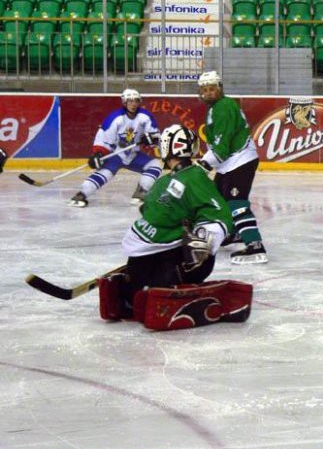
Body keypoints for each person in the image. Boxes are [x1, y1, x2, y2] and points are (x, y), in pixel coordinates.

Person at [99, 124, 252, 329]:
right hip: (151, 249)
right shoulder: (164, 181)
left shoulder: (194, 178)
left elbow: (219, 214)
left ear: (165, 148)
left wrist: (204, 239)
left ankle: (153, 289)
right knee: (135, 286)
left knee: (153, 288)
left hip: (183, 258)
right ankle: (134, 290)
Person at [197, 70, 268, 265]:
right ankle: (235, 233)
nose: (208, 93)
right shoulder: (217, 107)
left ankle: (255, 245)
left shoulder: (224, 107)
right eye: (204, 90)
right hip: (229, 163)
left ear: (220, 88)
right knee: (219, 199)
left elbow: (223, 145)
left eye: (212, 89)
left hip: (239, 160)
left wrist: (203, 165)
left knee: (236, 202)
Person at [68, 89, 163, 208]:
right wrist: (98, 154)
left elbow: (155, 137)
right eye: (130, 101)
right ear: (124, 102)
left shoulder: (145, 117)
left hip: (134, 155)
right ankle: (81, 194)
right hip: (115, 154)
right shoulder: (115, 118)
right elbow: (103, 138)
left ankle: (142, 191)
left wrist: (151, 139)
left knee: (155, 165)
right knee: (105, 173)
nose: (133, 104)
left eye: (136, 101)